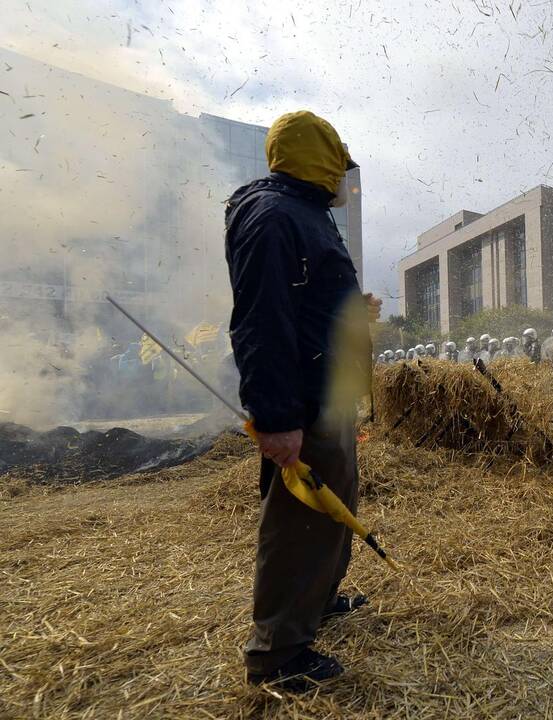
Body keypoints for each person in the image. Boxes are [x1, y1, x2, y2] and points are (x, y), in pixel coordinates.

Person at [225, 110, 378, 691]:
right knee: (302, 520)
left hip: (325, 393)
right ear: (320, 159)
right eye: (339, 163)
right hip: (303, 403)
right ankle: (278, 654)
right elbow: (262, 323)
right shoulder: (272, 216)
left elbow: (306, 303)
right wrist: (276, 418)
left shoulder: (304, 212)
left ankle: (317, 602)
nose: (345, 177)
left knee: (332, 504)